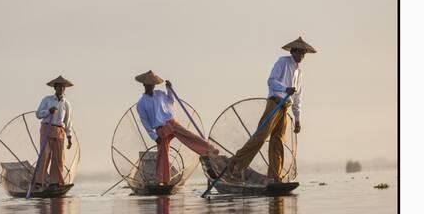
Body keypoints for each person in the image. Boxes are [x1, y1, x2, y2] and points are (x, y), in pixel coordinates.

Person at [228, 37, 317, 183]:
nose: (301, 56)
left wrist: (297, 119)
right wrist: (285, 88)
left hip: (285, 107)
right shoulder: (283, 62)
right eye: (299, 53)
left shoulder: (299, 73)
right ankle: (236, 161)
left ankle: (274, 176)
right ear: (292, 51)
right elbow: (271, 81)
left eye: (303, 54)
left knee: (278, 142)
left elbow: (297, 98)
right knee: (261, 136)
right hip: (275, 103)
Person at [135, 70, 219, 185]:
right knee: (162, 153)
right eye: (149, 84)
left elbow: (171, 101)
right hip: (160, 129)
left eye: (153, 84)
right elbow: (145, 122)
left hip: (171, 122)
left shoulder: (160, 94)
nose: (151, 86)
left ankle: (211, 151)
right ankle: (162, 180)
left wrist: (169, 89)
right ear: (144, 85)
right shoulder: (141, 103)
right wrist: (154, 137)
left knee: (189, 136)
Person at [33, 75, 74, 190]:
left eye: (63, 87)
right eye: (59, 87)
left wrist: (69, 137)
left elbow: (68, 121)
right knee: (45, 155)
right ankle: (39, 182)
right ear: (55, 88)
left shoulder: (66, 104)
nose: (61, 89)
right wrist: (48, 111)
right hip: (47, 128)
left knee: (58, 157)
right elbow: (38, 114)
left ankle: (55, 182)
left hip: (59, 131)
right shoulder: (47, 100)